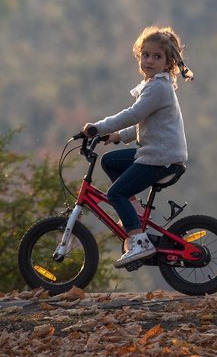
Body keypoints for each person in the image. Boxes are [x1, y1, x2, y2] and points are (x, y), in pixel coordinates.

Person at [83, 26, 193, 269]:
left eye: (157, 56)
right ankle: (134, 212)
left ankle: (138, 240)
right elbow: (147, 124)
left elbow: (134, 114)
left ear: (168, 62)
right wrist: (117, 137)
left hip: (159, 158)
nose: (150, 60)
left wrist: (97, 128)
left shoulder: (158, 87)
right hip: (155, 152)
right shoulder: (154, 85)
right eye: (145, 54)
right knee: (110, 162)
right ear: (138, 56)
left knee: (115, 194)